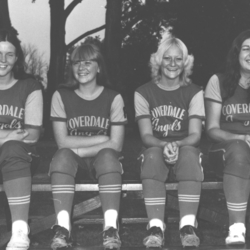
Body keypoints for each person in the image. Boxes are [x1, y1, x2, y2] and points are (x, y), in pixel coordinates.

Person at [49, 42, 127, 250]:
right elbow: (62, 142)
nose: (81, 67)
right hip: (73, 164)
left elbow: (116, 144)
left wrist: (80, 149)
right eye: (76, 63)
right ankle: (63, 229)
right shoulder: (61, 96)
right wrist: (102, 138)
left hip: (102, 162)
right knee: (62, 156)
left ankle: (111, 228)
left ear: (99, 67)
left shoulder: (113, 97)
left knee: (109, 156)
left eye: (87, 62)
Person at [134, 29, 205, 248]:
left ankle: (187, 226)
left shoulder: (194, 92)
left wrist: (176, 144)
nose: (172, 64)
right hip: (156, 147)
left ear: (185, 63)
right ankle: (156, 226)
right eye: (167, 58)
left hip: (185, 149)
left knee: (190, 154)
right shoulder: (143, 92)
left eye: (178, 59)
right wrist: (165, 145)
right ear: (158, 61)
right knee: (153, 156)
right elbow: (146, 135)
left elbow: (195, 134)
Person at [204, 29, 250, 245]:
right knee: (240, 151)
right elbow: (211, 128)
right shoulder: (219, 81)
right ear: (237, 53)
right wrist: (239, 138)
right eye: (247, 48)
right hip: (224, 149)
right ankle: (236, 228)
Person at [0, 28, 43, 250]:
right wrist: (7, 135)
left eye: (9, 54)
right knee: (11, 143)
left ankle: (19, 232)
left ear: (16, 58)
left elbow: (33, 134)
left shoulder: (30, 87)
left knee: (13, 149)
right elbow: (18, 133)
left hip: (20, 158)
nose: (3, 60)